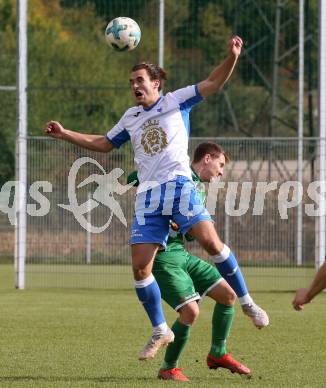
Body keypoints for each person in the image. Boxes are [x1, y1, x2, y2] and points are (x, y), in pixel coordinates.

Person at [46, 36, 244, 360]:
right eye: (131, 82)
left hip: (174, 197)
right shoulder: (130, 117)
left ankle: (214, 348)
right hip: (152, 199)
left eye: (140, 80)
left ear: (155, 83)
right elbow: (104, 143)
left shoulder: (175, 101)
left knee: (218, 285)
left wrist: (232, 56)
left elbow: (212, 82)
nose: (135, 85)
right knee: (140, 270)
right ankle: (160, 330)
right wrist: (65, 133)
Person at [128, 142, 259, 381]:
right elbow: (135, 175)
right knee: (190, 311)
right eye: (220, 165)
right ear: (207, 159)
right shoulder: (175, 174)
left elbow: (188, 233)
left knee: (227, 295)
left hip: (183, 255)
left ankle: (218, 353)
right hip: (163, 258)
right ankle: (169, 369)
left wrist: (188, 227)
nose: (221, 172)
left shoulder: (196, 188)